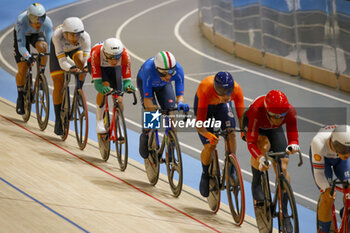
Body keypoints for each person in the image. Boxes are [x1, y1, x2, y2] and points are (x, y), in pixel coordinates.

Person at [243, 90, 300, 230]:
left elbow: (293, 134)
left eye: (283, 116)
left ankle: (284, 212)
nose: (280, 119)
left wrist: (293, 144)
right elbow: (251, 143)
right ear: (268, 112)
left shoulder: (289, 111)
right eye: (277, 117)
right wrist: (260, 158)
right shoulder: (257, 110)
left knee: (283, 166)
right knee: (263, 145)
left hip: (273, 129)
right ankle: (257, 180)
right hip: (254, 126)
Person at [193, 71, 245, 197]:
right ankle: (205, 174)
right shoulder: (206, 89)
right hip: (206, 109)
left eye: (229, 92)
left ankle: (231, 168)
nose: (227, 96)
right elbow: (200, 125)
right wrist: (209, 136)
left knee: (231, 133)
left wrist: (244, 131)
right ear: (216, 89)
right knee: (210, 146)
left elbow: (241, 115)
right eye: (222, 92)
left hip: (222, 107)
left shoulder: (237, 90)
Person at [137, 51, 189, 159]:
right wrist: (153, 111)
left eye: (171, 73)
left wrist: (180, 103)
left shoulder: (178, 71)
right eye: (163, 73)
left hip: (163, 86)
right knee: (152, 113)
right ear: (157, 69)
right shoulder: (148, 70)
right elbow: (147, 100)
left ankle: (171, 146)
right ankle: (145, 135)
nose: (168, 76)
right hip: (145, 83)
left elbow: (180, 95)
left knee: (171, 113)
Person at [49, 17, 91, 136]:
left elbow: (87, 61)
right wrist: (71, 68)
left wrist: (85, 68)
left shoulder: (85, 37)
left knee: (82, 63)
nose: (75, 38)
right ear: (65, 33)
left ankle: (79, 90)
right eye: (72, 35)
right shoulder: (57, 36)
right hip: (59, 51)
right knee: (59, 83)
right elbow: (62, 62)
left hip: (74, 50)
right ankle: (58, 119)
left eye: (77, 35)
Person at [88, 38, 135, 133]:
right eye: (110, 57)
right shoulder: (96, 54)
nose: (114, 60)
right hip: (99, 67)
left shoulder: (125, 55)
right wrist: (102, 88)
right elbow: (98, 84)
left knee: (120, 99)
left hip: (115, 69)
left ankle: (118, 122)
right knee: (105, 85)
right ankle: (99, 121)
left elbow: (126, 81)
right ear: (104, 53)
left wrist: (127, 86)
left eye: (117, 56)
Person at [14, 3, 53, 115]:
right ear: (28, 16)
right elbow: (21, 46)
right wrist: (28, 57)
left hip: (36, 35)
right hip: (22, 36)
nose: (38, 22)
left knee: (44, 47)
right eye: (34, 19)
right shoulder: (21, 21)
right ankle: (20, 96)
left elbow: (50, 43)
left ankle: (41, 74)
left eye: (41, 19)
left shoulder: (47, 22)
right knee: (23, 68)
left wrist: (48, 53)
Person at [310, 125, 350, 233]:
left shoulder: (345, 150)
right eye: (343, 149)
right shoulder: (318, 142)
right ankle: (323, 230)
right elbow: (319, 174)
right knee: (328, 196)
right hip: (324, 160)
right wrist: (327, 187)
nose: (347, 153)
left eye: (349, 149)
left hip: (340, 161)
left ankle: (346, 211)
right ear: (333, 143)